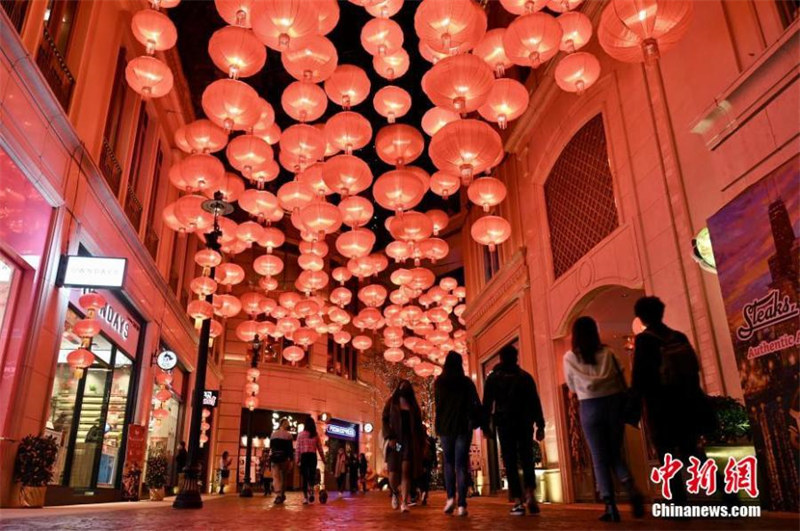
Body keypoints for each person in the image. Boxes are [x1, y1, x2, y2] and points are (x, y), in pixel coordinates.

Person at [631, 296, 717, 507]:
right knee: (692, 452)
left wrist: (634, 406)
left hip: (660, 406)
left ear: (641, 318)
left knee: (666, 454)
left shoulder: (644, 341)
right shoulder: (678, 336)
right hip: (686, 403)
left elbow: (640, 376)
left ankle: (678, 502)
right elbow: (694, 369)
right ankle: (726, 490)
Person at [563, 316, 644, 522]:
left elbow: (571, 386)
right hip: (613, 404)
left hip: (589, 406)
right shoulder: (609, 353)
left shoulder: (570, 357)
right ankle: (629, 486)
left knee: (599, 457)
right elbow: (621, 375)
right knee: (614, 453)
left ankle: (610, 505)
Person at [483, 344, 544, 516]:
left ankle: (517, 501)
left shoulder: (494, 378)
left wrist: (485, 426)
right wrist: (540, 424)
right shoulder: (525, 377)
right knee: (527, 458)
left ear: (501, 359)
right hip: (524, 422)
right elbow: (535, 402)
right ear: (516, 358)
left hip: (504, 422)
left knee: (510, 461)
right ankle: (530, 492)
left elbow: (487, 403)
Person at [435, 351, 482, 516]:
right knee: (461, 465)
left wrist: (438, 427)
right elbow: (476, 402)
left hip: (446, 428)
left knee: (448, 463)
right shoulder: (466, 382)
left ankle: (450, 499)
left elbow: (438, 407)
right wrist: (474, 420)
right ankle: (462, 504)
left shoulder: (440, 382)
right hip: (463, 427)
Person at [382, 379, 425, 513]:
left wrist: (421, 444)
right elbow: (384, 419)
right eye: (402, 385)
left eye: (406, 386)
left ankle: (404, 502)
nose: (404, 387)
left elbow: (419, 426)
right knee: (394, 471)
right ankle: (395, 492)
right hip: (396, 442)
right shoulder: (391, 403)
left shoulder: (413, 406)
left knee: (406, 470)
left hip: (408, 443)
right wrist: (389, 436)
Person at [296, 419, 325, 504]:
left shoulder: (300, 435)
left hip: (304, 457)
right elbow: (320, 448)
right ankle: (311, 491)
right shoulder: (315, 435)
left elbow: (298, 448)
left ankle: (305, 497)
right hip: (312, 457)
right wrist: (323, 458)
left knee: (305, 477)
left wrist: (297, 459)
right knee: (312, 475)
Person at [270, 418, 294, 504]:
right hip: (284, 458)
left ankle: (278, 494)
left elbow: (271, 448)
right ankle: (282, 493)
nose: (288, 424)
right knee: (283, 477)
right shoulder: (288, 435)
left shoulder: (273, 434)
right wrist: (291, 460)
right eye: (287, 423)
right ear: (283, 423)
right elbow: (290, 450)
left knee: (276, 477)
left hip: (275, 458)